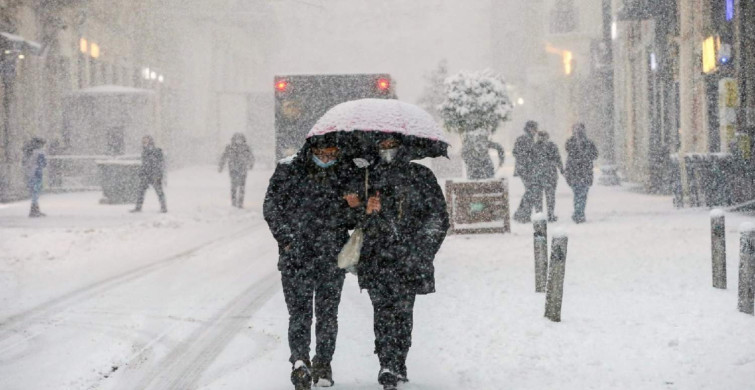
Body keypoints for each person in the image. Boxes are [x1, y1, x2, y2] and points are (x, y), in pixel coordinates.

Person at [348, 134, 449, 390]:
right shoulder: (366, 177)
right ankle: (387, 363)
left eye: (392, 145)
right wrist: (364, 209)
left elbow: (437, 217)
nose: (387, 150)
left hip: (409, 258)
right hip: (376, 258)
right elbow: (349, 217)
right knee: (382, 312)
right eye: (381, 145)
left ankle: (398, 361)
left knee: (403, 314)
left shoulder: (421, 176)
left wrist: (423, 250)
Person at [263, 133, 355, 390]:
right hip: (296, 257)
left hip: (331, 256)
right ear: (312, 150)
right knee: (300, 313)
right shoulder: (288, 169)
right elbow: (271, 206)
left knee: (328, 314)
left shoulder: (344, 171)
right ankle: (300, 362)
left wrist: (353, 206)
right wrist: (288, 239)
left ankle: (323, 362)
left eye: (332, 154)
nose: (328, 159)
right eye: (323, 154)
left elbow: (351, 220)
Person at [564, 123, 598, 223]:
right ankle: (579, 213)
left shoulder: (572, 143)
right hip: (582, 172)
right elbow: (594, 155)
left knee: (579, 194)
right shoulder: (586, 143)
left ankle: (578, 213)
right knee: (581, 194)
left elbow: (594, 155)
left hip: (578, 172)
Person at [531, 131, 563, 222]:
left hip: (540, 175)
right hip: (549, 175)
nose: (541, 138)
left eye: (542, 136)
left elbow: (530, 161)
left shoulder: (534, 147)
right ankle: (549, 215)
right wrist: (561, 169)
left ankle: (541, 215)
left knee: (541, 197)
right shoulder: (551, 146)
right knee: (548, 197)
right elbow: (558, 159)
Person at [130, 135, 167, 213]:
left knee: (158, 191)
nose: (144, 143)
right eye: (143, 141)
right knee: (141, 191)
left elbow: (158, 164)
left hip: (154, 175)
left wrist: (158, 174)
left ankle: (163, 208)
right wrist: (142, 172)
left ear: (150, 141)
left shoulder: (155, 151)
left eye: (145, 141)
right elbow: (145, 164)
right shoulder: (145, 151)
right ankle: (138, 207)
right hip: (146, 175)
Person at [218, 133, 255, 208]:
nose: (238, 141)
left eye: (240, 139)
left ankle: (240, 203)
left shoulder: (246, 148)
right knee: (234, 186)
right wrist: (221, 166)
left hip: (243, 169)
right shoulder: (229, 147)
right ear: (234, 140)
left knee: (242, 186)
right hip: (233, 169)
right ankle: (234, 202)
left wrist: (251, 164)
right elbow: (224, 156)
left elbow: (251, 157)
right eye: (237, 139)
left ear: (243, 140)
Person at [512, 120, 539, 222]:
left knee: (530, 191)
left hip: (526, 169)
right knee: (531, 191)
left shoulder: (528, 139)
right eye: (534, 129)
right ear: (529, 129)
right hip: (526, 169)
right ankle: (522, 214)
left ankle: (522, 213)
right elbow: (516, 152)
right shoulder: (525, 139)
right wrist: (527, 158)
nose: (536, 131)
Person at [22, 137, 47, 218]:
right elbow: (43, 164)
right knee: (36, 192)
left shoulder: (28, 152)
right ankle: (34, 210)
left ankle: (34, 210)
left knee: (33, 192)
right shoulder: (40, 152)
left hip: (30, 174)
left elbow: (24, 163)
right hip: (37, 173)